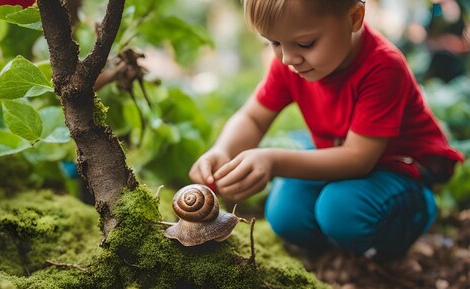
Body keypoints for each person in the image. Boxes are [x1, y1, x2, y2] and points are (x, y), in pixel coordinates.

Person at [189, 0, 465, 259]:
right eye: (274, 42)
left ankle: (405, 228)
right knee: (286, 216)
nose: (287, 58)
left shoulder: (383, 66)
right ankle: (338, 251)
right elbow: (254, 117)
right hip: (335, 156)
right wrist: (222, 150)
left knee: (341, 211)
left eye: (305, 43)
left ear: (354, 18)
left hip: (399, 170)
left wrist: (272, 161)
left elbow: (358, 159)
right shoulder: (292, 61)